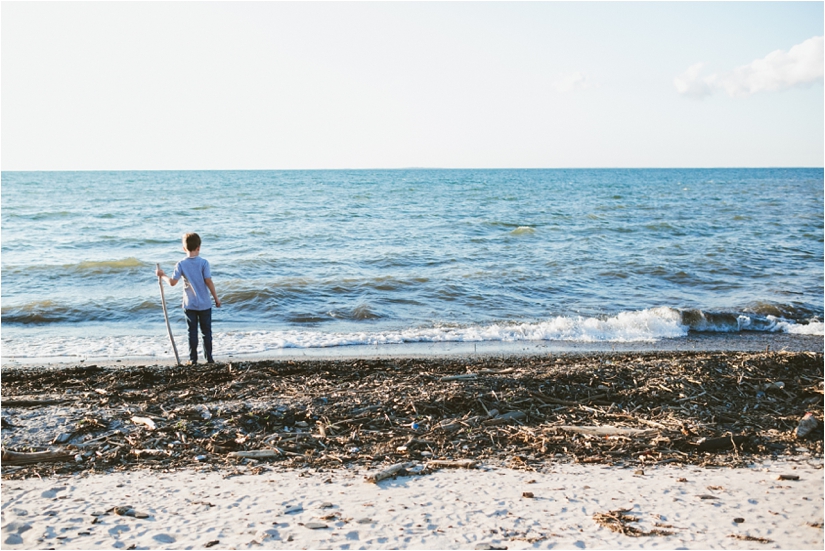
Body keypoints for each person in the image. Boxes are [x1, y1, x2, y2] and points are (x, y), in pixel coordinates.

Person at [156, 233, 221, 364]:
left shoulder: (181, 264)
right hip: (204, 304)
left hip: (189, 304)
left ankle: (193, 359)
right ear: (199, 247)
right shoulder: (204, 263)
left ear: (184, 249)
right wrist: (216, 298)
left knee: (192, 332)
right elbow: (208, 281)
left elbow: (173, 282)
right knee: (206, 332)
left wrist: (162, 275)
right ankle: (209, 359)